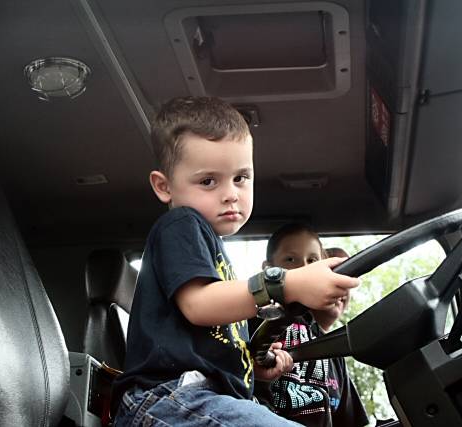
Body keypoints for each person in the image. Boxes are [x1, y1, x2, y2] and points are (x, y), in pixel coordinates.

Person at [111, 96, 359, 426]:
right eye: (208, 181)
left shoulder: (214, 253)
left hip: (207, 399)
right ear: (164, 186)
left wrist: (254, 369)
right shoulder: (181, 225)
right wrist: (285, 284)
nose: (231, 193)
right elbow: (199, 305)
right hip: (167, 398)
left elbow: (214, 345)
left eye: (240, 177)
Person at [251, 223, 369, 427]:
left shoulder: (332, 349)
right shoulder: (252, 321)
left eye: (312, 260)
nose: (304, 267)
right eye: (290, 259)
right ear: (268, 269)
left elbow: (349, 420)